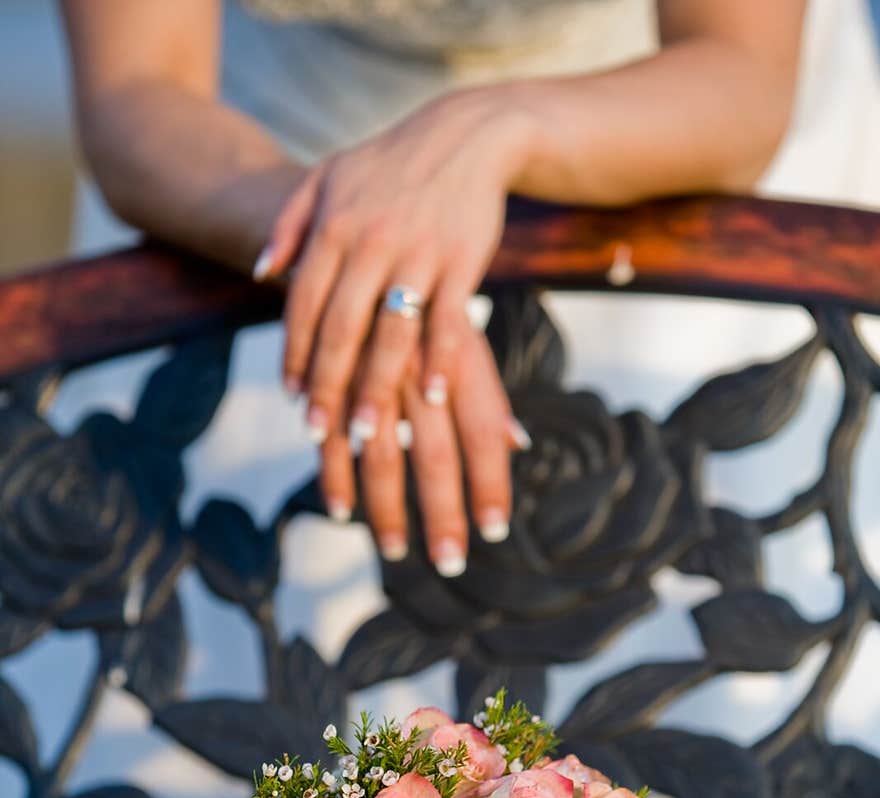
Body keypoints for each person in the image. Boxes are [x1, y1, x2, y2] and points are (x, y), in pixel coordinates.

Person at [60, 0, 803, 578]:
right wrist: (351, 259)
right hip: (235, 172)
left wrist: (488, 129)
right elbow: (137, 84)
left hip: (668, 143)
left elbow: (742, 65)